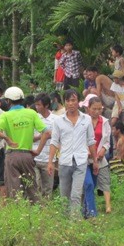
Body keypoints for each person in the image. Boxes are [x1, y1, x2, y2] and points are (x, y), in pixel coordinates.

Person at [0, 86, 50, 203]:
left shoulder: (6, 115)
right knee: (32, 188)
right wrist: (37, 150)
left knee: (14, 189)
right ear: (22, 99)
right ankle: (37, 213)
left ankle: (17, 214)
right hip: (27, 156)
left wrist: (7, 138)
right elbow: (46, 132)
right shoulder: (31, 113)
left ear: (7, 101)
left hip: (12, 156)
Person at [48, 89, 98, 217]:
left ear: (78, 102)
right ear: (64, 102)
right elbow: (54, 141)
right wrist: (50, 162)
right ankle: (65, 222)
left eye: (73, 100)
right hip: (64, 161)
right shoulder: (58, 121)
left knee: (76, 194)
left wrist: (95, 161)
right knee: (64, 195)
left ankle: (74, 223)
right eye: (68, 100)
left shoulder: (86, 119)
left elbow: (91, 141)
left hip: (81, 161)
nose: (71, 103)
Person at [83, 96, 112, 217]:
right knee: (88, 183)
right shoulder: (83, 121)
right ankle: (92, 213)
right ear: (88, 108)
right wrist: (86, 151)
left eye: (99, 109)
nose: (96, 111)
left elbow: (107, 141)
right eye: (94, 109)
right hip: (84, 158)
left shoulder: (104, 122)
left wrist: (103, 150)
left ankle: (85, 209)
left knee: (93, 185)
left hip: (98, 159)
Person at [33, 93, 57, 198]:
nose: (37, 107)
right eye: (36, 105)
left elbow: (58, 137)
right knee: (36, 185)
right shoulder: (34, 118)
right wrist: (42, 136)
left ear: (46, 105)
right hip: (34, 156)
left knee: (47, 188)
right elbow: (30, 137)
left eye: (39, 105)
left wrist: (48, 135)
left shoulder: (56, 119)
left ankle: (46, 209)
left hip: (48, 158)